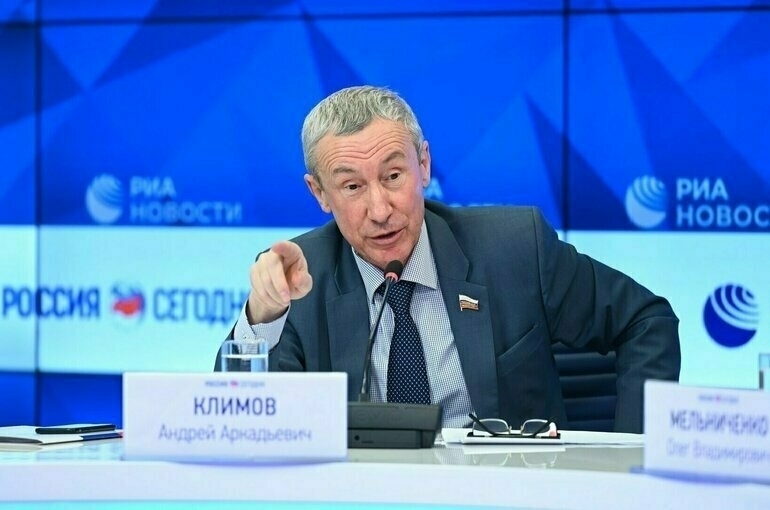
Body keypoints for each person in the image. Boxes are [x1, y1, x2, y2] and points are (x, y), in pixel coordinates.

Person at [217, 85, 681, 433]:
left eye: (393, 176)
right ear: (319, 193)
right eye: (352, 186)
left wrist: (634, 459)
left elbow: (645, 320)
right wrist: (263, 316)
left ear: (423, 165)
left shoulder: (515, 248)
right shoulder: (302, 274)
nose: (380, 209)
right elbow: (237, 420)